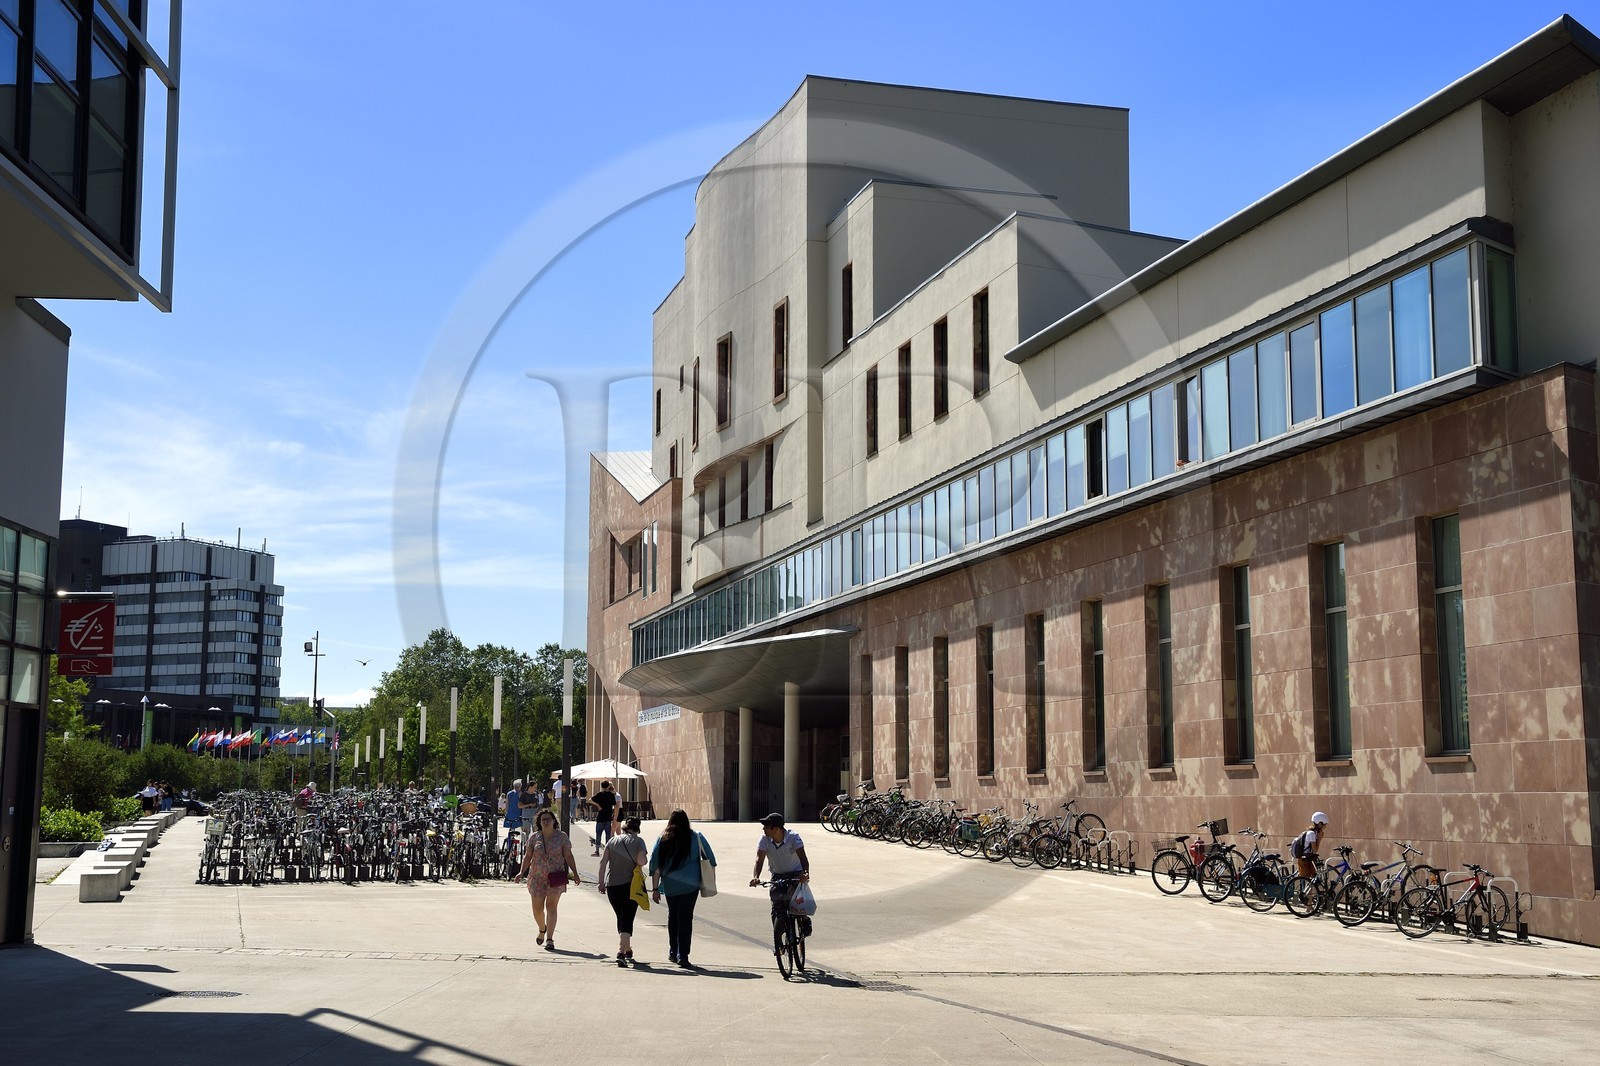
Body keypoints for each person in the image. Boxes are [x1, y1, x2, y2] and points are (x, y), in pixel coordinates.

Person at [649, 809, 716, 968]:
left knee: (673, 916)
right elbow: (711, 859)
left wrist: (655, 889)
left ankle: (673, 950)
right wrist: (711, 879)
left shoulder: (663, 838)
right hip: (691, 885)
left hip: (670, 885)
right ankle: (683, 954)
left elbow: (654, 864)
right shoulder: (696, 837)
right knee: (686, 918)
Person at [515, 808, 580, 951]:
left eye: (548, 819)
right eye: (542, 819)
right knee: (537, 909)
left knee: (552, 907)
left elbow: (568, 855)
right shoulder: (534, 837)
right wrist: (521, 872)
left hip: (555, 876)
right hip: (536, 877)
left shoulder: (561, 837)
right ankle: (542, 929)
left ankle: (550, 938)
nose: (545, 821)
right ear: (539, 822)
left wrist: (575, 873)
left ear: (553, 821)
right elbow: (528, 856)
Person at [597, 816, 649, 966]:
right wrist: (644, 856)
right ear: (638, 828)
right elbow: (641, 861)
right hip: (630, 885)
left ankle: (627, 948)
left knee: (621, 916)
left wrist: (601, 882)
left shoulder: (612, 840)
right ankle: (621, 952)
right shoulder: (639, 842)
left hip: (612, 885)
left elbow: (603, 863)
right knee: (627, 918)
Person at [750, 812, 811, 935]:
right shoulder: (764, 839)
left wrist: (805, 873)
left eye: (767, 826)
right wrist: (756, 877)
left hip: (795, 873)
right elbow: (759, 859)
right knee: (776, 905)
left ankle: (805, 920)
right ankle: (778, 937)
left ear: (776, 829)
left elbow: (803, 858)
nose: (764, 829)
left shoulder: (793, 837)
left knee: (798, 903)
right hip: (777, 875)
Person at [1292, 812, 1329, 880]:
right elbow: (1315, 850)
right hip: (1304, 860)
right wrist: (1320, 839)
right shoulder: (1311, 834)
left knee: (1311, 881)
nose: (1325, 827)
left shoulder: (1313, 833)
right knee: (1308, 881)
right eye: (1324, 825)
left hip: (1308, 859)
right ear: (1320, 823)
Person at [592, 781, 619, 856]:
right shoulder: (611, 795)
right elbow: (615, 804)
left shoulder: (599, 794)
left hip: (600, 817)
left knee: (598, 834)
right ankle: (608, 850)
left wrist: (598, 806)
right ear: (608, 787)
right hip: (608, 817)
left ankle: (597, 850)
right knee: (608, 835)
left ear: (601, 786)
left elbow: (590, 800)